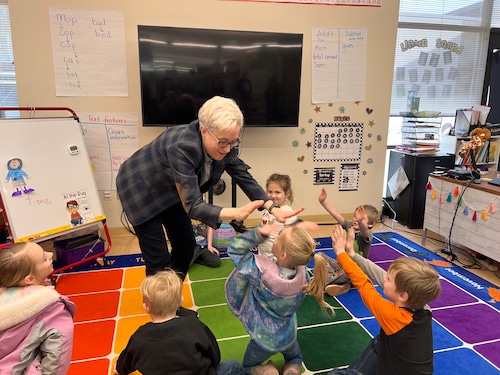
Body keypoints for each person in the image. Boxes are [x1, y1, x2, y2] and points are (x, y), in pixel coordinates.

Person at [116, 95, 302, 278]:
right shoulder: (182, 146)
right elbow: (194, 205)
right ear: (203, 130)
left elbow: (243, 176)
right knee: (159, 261)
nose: (228, 149)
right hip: (139, 189)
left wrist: (272, 208)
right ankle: (161, 306)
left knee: (186, 246)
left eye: (233, 142)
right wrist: (235, 213)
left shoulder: (225, 142)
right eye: (223, 142)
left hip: (170, 188)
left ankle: (170, 299)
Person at [328, 225, 441, 375]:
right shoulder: (422, 306)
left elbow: (363, 283)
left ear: (402, 296)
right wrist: (353, 255)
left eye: (388, 278)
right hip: (406, 363)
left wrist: (341, 253)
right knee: (380, 341)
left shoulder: (393, 316)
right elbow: (379, 275)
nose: (383, 277)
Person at [225, 224, 333, 375]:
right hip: (288, 334)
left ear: (283, 255)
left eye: (278, 238)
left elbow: (235, 249)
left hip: (264, 339)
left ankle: (266, 371)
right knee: (295, 357)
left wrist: (257, 234)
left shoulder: (261, 272)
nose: (275, 238)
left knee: (246, 367)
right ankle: (292, 370)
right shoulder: (302, 274)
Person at [115, 269, 244, 375]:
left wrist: (117, 369)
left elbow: (122, 366)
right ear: (181, 302)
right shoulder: (194, 325)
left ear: (146, 308)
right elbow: (215, 356)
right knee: (232, 365)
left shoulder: (140, 337)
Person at [0, 242, 75, 374]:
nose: (51, 254)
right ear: (29, 279)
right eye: (44, 259)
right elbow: (57, 355)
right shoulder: (51, 305)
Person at [318, 188, 379, 297]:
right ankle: (339, 284)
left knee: (344, 273)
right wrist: (323, 202)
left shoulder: (367, 234)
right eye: (355, 216)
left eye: (361, 218)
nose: (356, 219)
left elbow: (363, 229)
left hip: (354, 270)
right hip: (341, 265)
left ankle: (342, 284)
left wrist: (360, 222)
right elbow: (336, 213)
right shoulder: (349, 225)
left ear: (371, 224)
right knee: (320, 256)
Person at [258, 173, 318, 260]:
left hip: (276, 259)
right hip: (263, 255)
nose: (273, 196)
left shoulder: (288, 213)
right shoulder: (269, 208)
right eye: (270, 192)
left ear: (287, 193)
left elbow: (292, 239)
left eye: (277, 192)